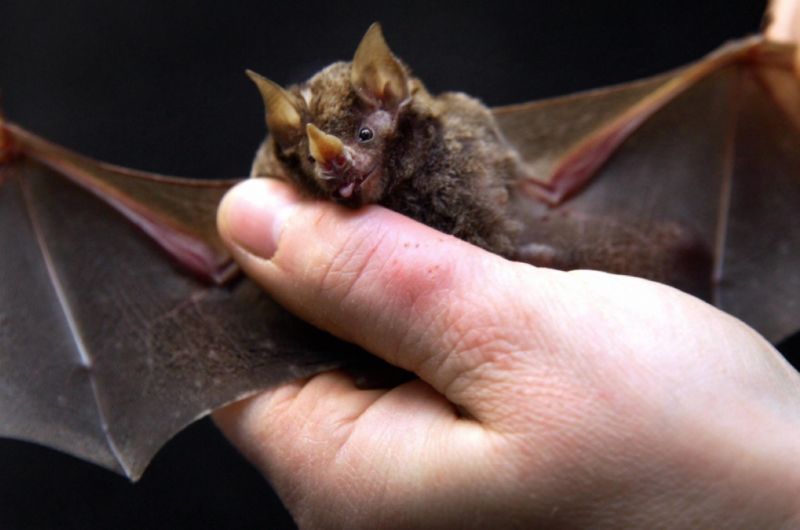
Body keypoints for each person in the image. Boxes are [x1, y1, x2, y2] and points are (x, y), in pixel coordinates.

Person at [213, 7, 800, 527]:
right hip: (366, 371)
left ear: (388, 92)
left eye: (363, 137)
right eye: (323, 158)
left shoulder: (460, 138)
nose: (342, 169)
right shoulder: (279, 188)